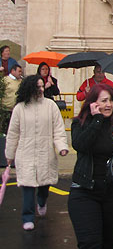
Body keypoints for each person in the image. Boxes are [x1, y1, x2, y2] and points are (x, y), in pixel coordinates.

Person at [67, 84, 113, 249]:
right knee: (90, 244)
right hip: (85, 191)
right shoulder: (80, 123)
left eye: (111, 100)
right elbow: (81, 145)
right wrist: (96, 120)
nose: (108, 104)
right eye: (103, 101)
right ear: (93, 103)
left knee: (107, 242)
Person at [5, 75, 68, 231]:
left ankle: (42, 202)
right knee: (27, 186)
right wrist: (9, 154)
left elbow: (58, 129)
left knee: (43, 185)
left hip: (45, 153)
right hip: (25, 153)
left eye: (42, 87)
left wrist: (61, 147)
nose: (41, 90)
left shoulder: (50, 106)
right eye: (38, 87)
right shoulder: (20, 108)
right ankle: (27, 216)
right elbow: (13, 133)